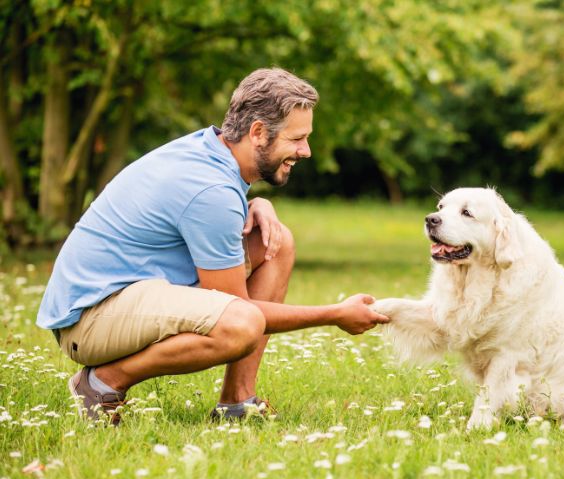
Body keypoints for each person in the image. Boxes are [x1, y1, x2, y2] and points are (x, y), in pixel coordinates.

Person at [36, 68, 390, 425]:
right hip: (89, 319)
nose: (306, 151)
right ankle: (101, 384)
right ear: (257, 133)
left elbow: (199, 214)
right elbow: (237, 307)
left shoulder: (211, 150)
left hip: (124, 293)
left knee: (275, 242)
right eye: (296, 139)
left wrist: (256, 205)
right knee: (241, 323)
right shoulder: (210, 190)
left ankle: (237, 401)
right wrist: (333, 314)